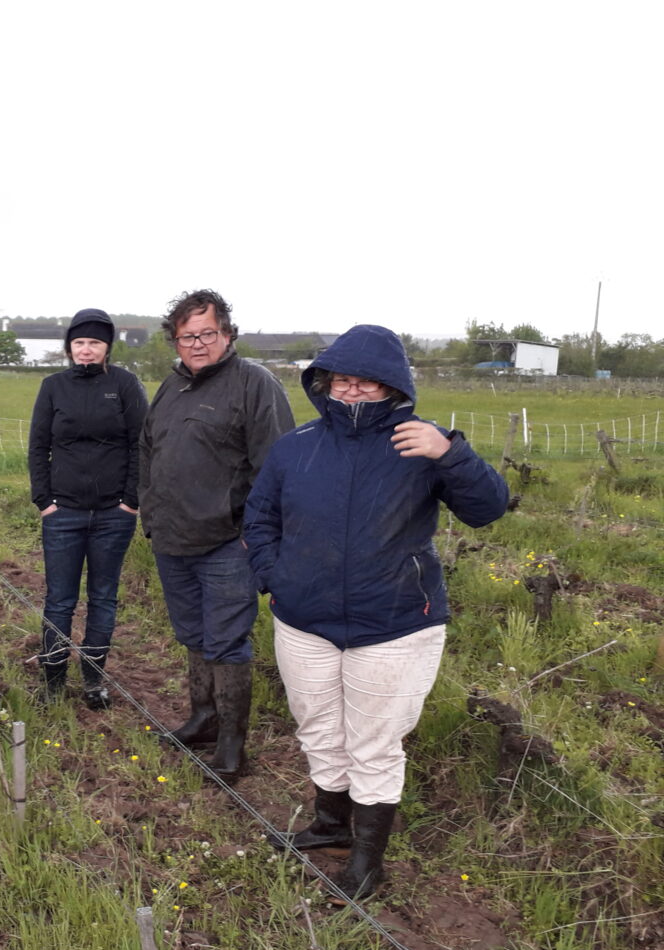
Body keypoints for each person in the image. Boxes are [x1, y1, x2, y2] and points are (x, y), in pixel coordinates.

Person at [244, 324, 508, 900]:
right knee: (318, 728)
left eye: (366, 383)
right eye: (342, 381)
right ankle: (329, 824)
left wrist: (452, 453)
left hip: (394, 625)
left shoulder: (422, 445)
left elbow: (488, 509)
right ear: (324, 384)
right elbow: (259, 519)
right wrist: (276, 581)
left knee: (374, 743)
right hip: (303, 622)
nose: (352, 392)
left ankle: (366, 860)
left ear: (393, 387)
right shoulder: (297, 446)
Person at [139, 289, 294, 780]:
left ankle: (232, 744)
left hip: (228, 543)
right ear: (175, 341)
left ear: (227, 334)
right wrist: (150, 515)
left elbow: (275, 467)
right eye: (188, 336)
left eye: (208, 333)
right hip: (171, 539)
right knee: (193, 635)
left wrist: (257, 535)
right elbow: (148, 454)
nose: (198, 344)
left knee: (227, 642)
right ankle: (203, 716)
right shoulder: (171, 387)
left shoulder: (254, 385)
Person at [27, 308, 149, 707]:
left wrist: (131, 501)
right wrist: (45, 501)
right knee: (60, 600)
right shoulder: (52, 387)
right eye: (79, 342)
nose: (86, 349)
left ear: (107, 347)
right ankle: (53, 681)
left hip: (114, 515)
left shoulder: (125, 385)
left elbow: (140, 446)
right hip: (63, 514)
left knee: (103, 599)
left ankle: (94, 681)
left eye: (94, 342)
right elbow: (38, 447)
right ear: (69, 347)